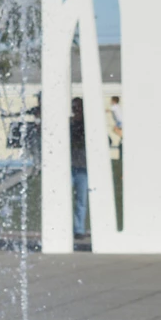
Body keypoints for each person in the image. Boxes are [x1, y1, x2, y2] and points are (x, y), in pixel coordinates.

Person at [70, 97, 89, 238]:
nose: (76, 111)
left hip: (82, 167)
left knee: (81, 200)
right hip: (69, 167)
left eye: (78, 108)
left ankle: (79, 229)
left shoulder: (87, 124)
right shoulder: (69, 124)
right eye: (74, 108)